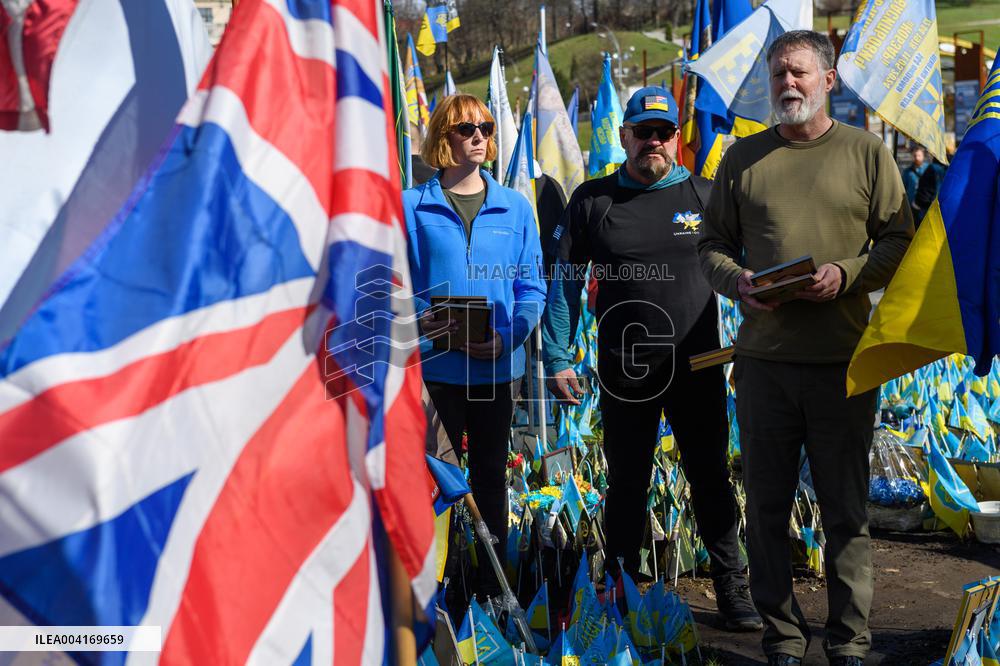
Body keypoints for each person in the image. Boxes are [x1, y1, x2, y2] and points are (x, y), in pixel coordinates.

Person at [698, 31, 913, 666]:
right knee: (765, 509)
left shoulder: (867, 153)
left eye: (798, 73)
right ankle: (784, 640)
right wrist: (736, 282)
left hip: (842, 365)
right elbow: (709, 246)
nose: (787, 85)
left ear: (828, 80)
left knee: (845, 511)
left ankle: (850, 642)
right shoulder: (742, 159)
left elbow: (899, 242)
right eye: (778, 76)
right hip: (763, 366)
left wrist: (847, 274)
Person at [541, 86, 762, 632]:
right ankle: (621, 587)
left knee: (710, 478)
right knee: (627, 483)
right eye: (644, 132)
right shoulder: (593, 201)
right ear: (624, 137)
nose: (654, 142)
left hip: (700, 367)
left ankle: (732, 589)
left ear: (676, 139)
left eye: (664, 133)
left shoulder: (706, 196)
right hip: (625, 370)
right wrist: (558, 356)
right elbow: (566, 285)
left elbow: (753, 279)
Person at [403, 94, 546, 598]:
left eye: (486, 127)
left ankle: (490, 585)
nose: (481, 137)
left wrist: (511, 335)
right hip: (434, 372)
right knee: (431, 480)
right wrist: (425, 320)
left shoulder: (516, 206)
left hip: (496, 372)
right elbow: (393, 283)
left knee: (489, 476)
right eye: (468, 129)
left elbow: (533, 287)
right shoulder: (410, 206)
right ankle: (432, 586)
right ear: (445, 138)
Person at [901, 146, 926, 210]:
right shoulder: (907, 172)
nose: (917, 158)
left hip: (924, 206)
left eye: (919, 155)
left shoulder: (929, 170)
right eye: (915, 155)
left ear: (923, 156)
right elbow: (903, 188)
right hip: (911, 206)